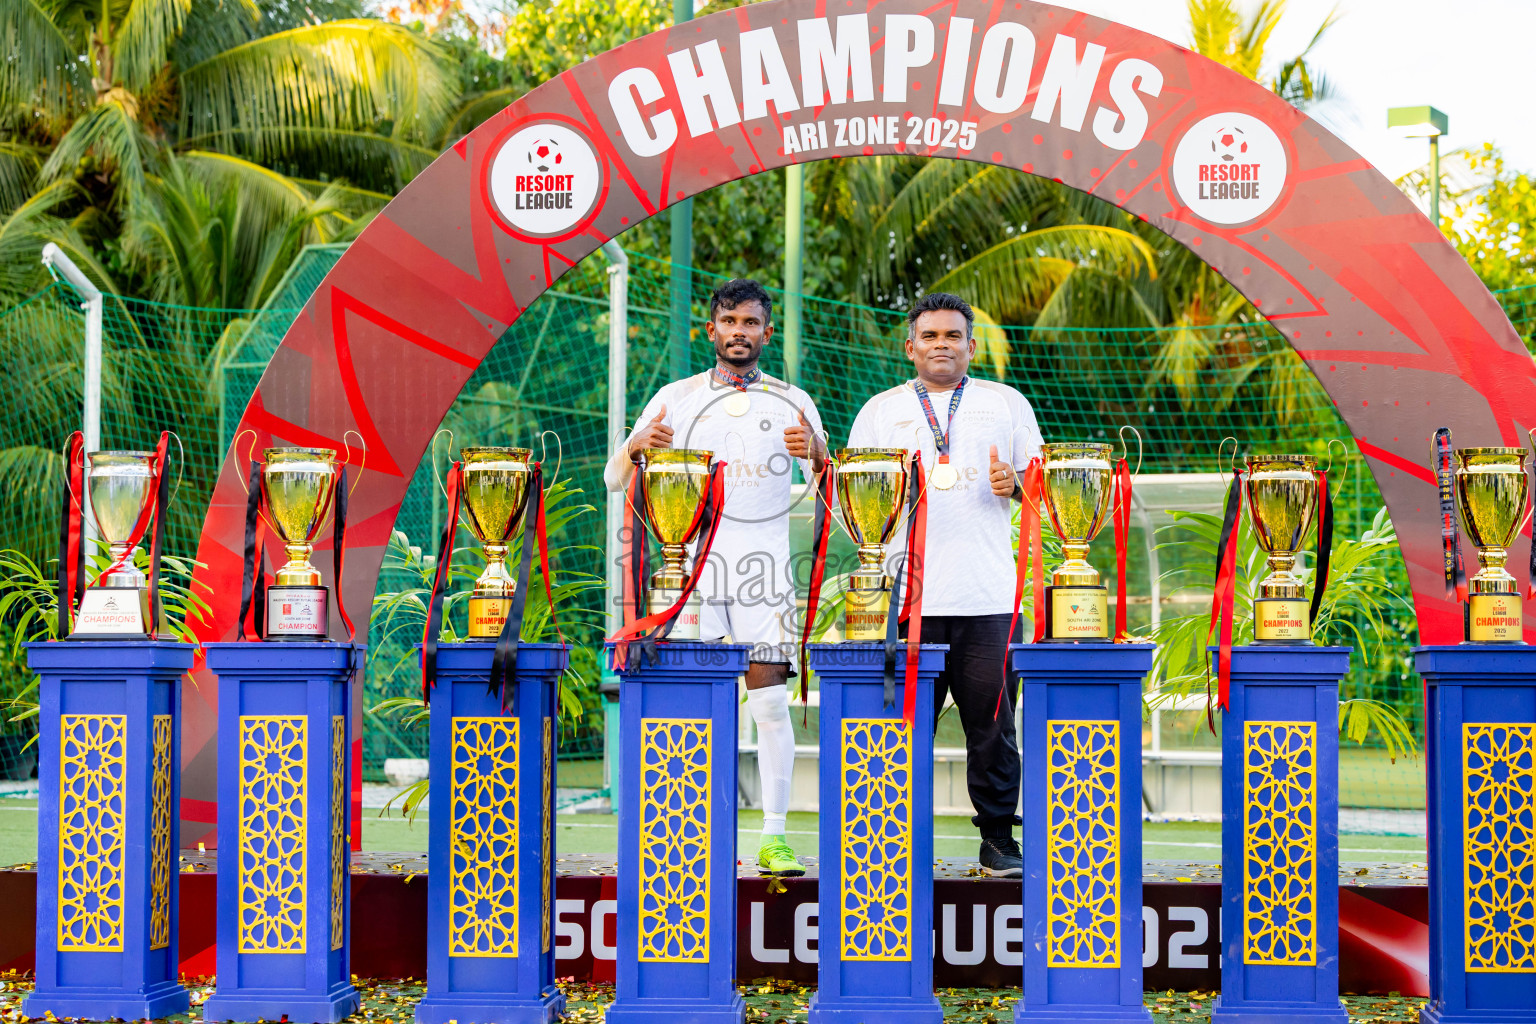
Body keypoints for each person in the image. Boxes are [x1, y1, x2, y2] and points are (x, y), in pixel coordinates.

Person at [604, 278, 827, 876]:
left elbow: (831, 486)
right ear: (712, 330)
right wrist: (634, 445)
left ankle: (775, 837)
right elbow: (613, 479)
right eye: (729, 321)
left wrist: (818, 453)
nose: (739, 332)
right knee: (689, 708)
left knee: (771, 703)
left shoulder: (795, 400)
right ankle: (683, 838)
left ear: (766, 332)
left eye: (751, 323)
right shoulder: (674, 398)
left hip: (766, 573)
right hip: (693, 573)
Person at [846, 291, 1043, 878]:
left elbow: (1048, 495)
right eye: (929, 336)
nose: (941, 345)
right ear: (910, 346)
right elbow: (857, 502)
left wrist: (1018, 486)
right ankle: (893, 843)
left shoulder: (1006, 404)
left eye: (952, 336)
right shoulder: (880, 410)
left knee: (993, 727)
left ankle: (997, 841)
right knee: (899, 731)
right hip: (908, 598)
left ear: (971, 346)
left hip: (987, 598)